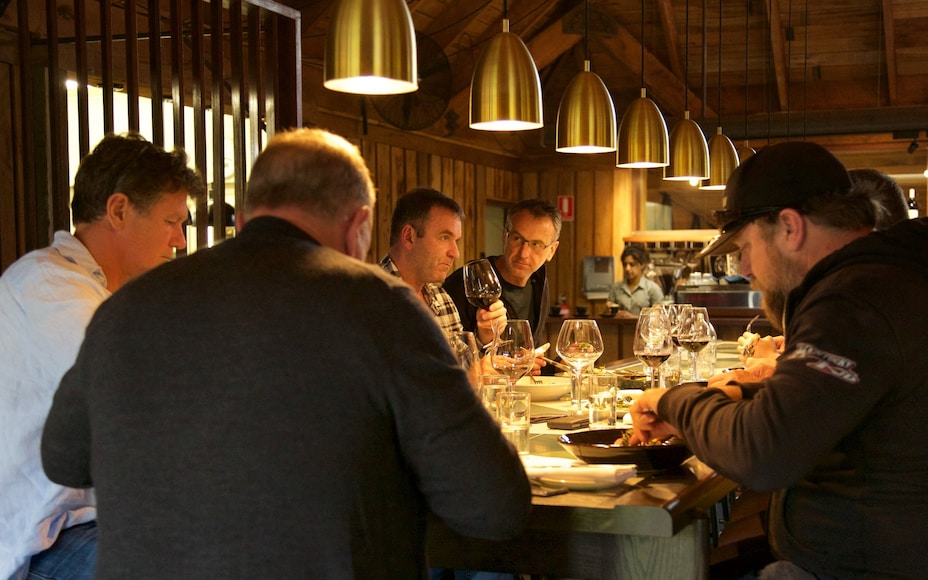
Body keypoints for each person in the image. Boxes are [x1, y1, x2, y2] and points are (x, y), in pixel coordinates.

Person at [40, 128, 531, 579]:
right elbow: (495, 504)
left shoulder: (129, 304)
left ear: (246, 214)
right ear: (359, 224)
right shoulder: (382, 307)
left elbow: (64, 459)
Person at [630, 142, 928, 578]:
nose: (744, 267)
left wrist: (671, 401)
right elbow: (848, 395)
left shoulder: (855, 299)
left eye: (746, 245)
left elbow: (761, 455)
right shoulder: (902, 278)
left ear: (791, 227)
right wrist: (740, 391)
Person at [0, 132, 203, 580]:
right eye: (173, 221)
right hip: (48, 537)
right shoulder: (49, 289)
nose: (181, 241)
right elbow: (140, 412)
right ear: (118, 210)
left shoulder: (101, 295)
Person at [379, 187, 504, 346]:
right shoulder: (368, 299)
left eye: (455, 241)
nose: (455, 253)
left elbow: (460, 364)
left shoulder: (441, 297)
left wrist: (484, 338)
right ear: (409, 237)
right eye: (444, 237)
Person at [444, 198, 560, 348]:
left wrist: (558, 364)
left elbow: (525, 352)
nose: (523, 253)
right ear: (504, 236)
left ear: (551, 250)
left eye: (536, 244)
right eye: (517, 239)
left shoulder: (539, 279)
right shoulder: (466, 283)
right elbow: (447, 360)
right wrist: (483, 338)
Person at [606, 245, 664, 316]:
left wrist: (632, 317)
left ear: (642, 265)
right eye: (625, 264)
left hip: (642, 327)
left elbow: (659, 317)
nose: (627, 268)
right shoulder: (616, 288)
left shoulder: (652, 288)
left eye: (632, 264)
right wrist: (609, 309)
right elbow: (609, 314)